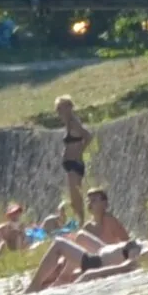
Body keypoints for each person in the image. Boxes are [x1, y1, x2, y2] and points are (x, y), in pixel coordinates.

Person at [54, 95, 91, 223]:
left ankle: (80, 222)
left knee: (76, 198)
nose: (58, 112)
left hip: (74, 163)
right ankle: (77, 221)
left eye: (60, 109)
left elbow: (88, 136)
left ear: (68, 108)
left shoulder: (74, 122)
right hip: (70, 164)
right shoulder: (69, 123)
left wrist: (79, 152)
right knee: (74, 197)